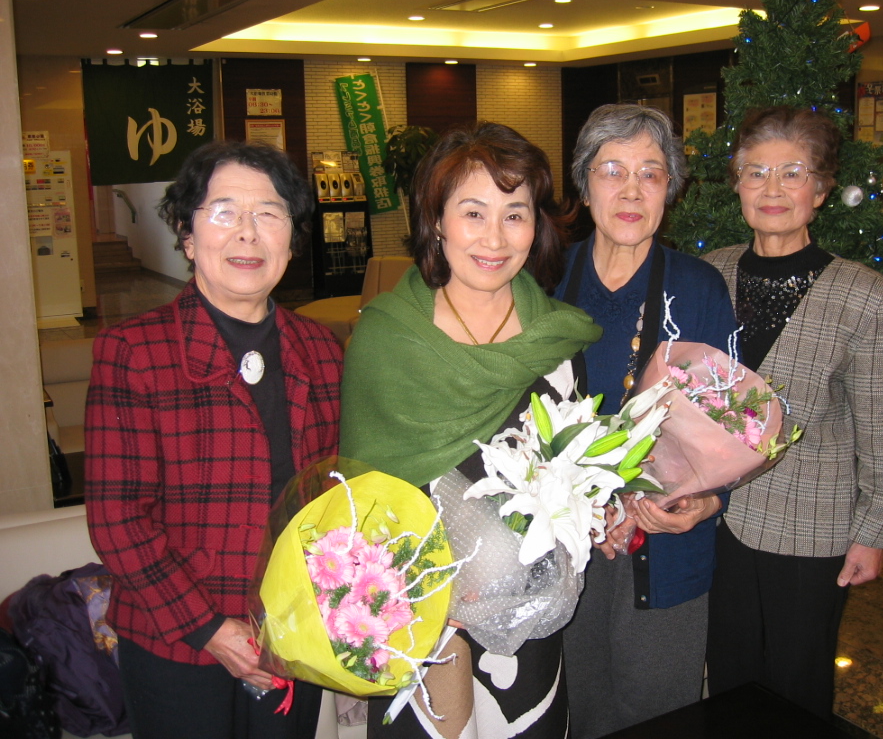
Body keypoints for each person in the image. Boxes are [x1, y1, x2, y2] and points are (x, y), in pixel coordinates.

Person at [339, 122, 601, 738]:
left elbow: (576, 483)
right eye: (473, 212)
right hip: (419, 619)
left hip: (527, 620)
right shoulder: (386, 340)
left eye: (515, 215)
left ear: (537, 225)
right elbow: (360, 499)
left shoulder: (557, 341)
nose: (494, 237)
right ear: (437, 220)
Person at [85, 141, 343, 739]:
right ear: (187, 233)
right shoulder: (134, 351)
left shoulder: (323, 350)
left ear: (292, 239)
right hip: (175, 640)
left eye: (269, 213)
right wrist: (210, 629)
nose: (247, 233)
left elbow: (334, 496)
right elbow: (117, 518)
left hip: (292, 635)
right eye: (224, 212)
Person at [703, 105, 883, 719]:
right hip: (713, 519)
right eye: (756, 172)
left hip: (811, 525)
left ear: (819, 191)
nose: (772, 189)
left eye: (792, 174)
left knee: (797, 681)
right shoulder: (709, 275)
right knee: (727, 671)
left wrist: (873, 532)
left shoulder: (866, 297)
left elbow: (880, 429)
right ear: (737, 185)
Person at [554, 103, 737, 739]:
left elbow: (732, 422)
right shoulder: (544, 280)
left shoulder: (699, 287)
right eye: (612, 171)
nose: (631, 190)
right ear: (584, 186)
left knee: (661, 710)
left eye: (651, 174)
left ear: (670, 190)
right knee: (579, 708)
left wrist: (708, 498)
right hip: (563, 545)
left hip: (664, 542)